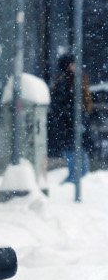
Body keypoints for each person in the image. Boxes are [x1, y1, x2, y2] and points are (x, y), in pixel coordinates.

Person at [47, 53, 94, 183]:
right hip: (69, 131)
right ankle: (66, 194)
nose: (76, 66)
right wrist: (76, 119)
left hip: (76, 131)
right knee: (78, 171)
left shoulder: (77, 81)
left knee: (81, 170)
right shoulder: (64, 83)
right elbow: (61, 108)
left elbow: (84, 105)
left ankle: (67, 192)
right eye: (73, 64)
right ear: (67, 66)